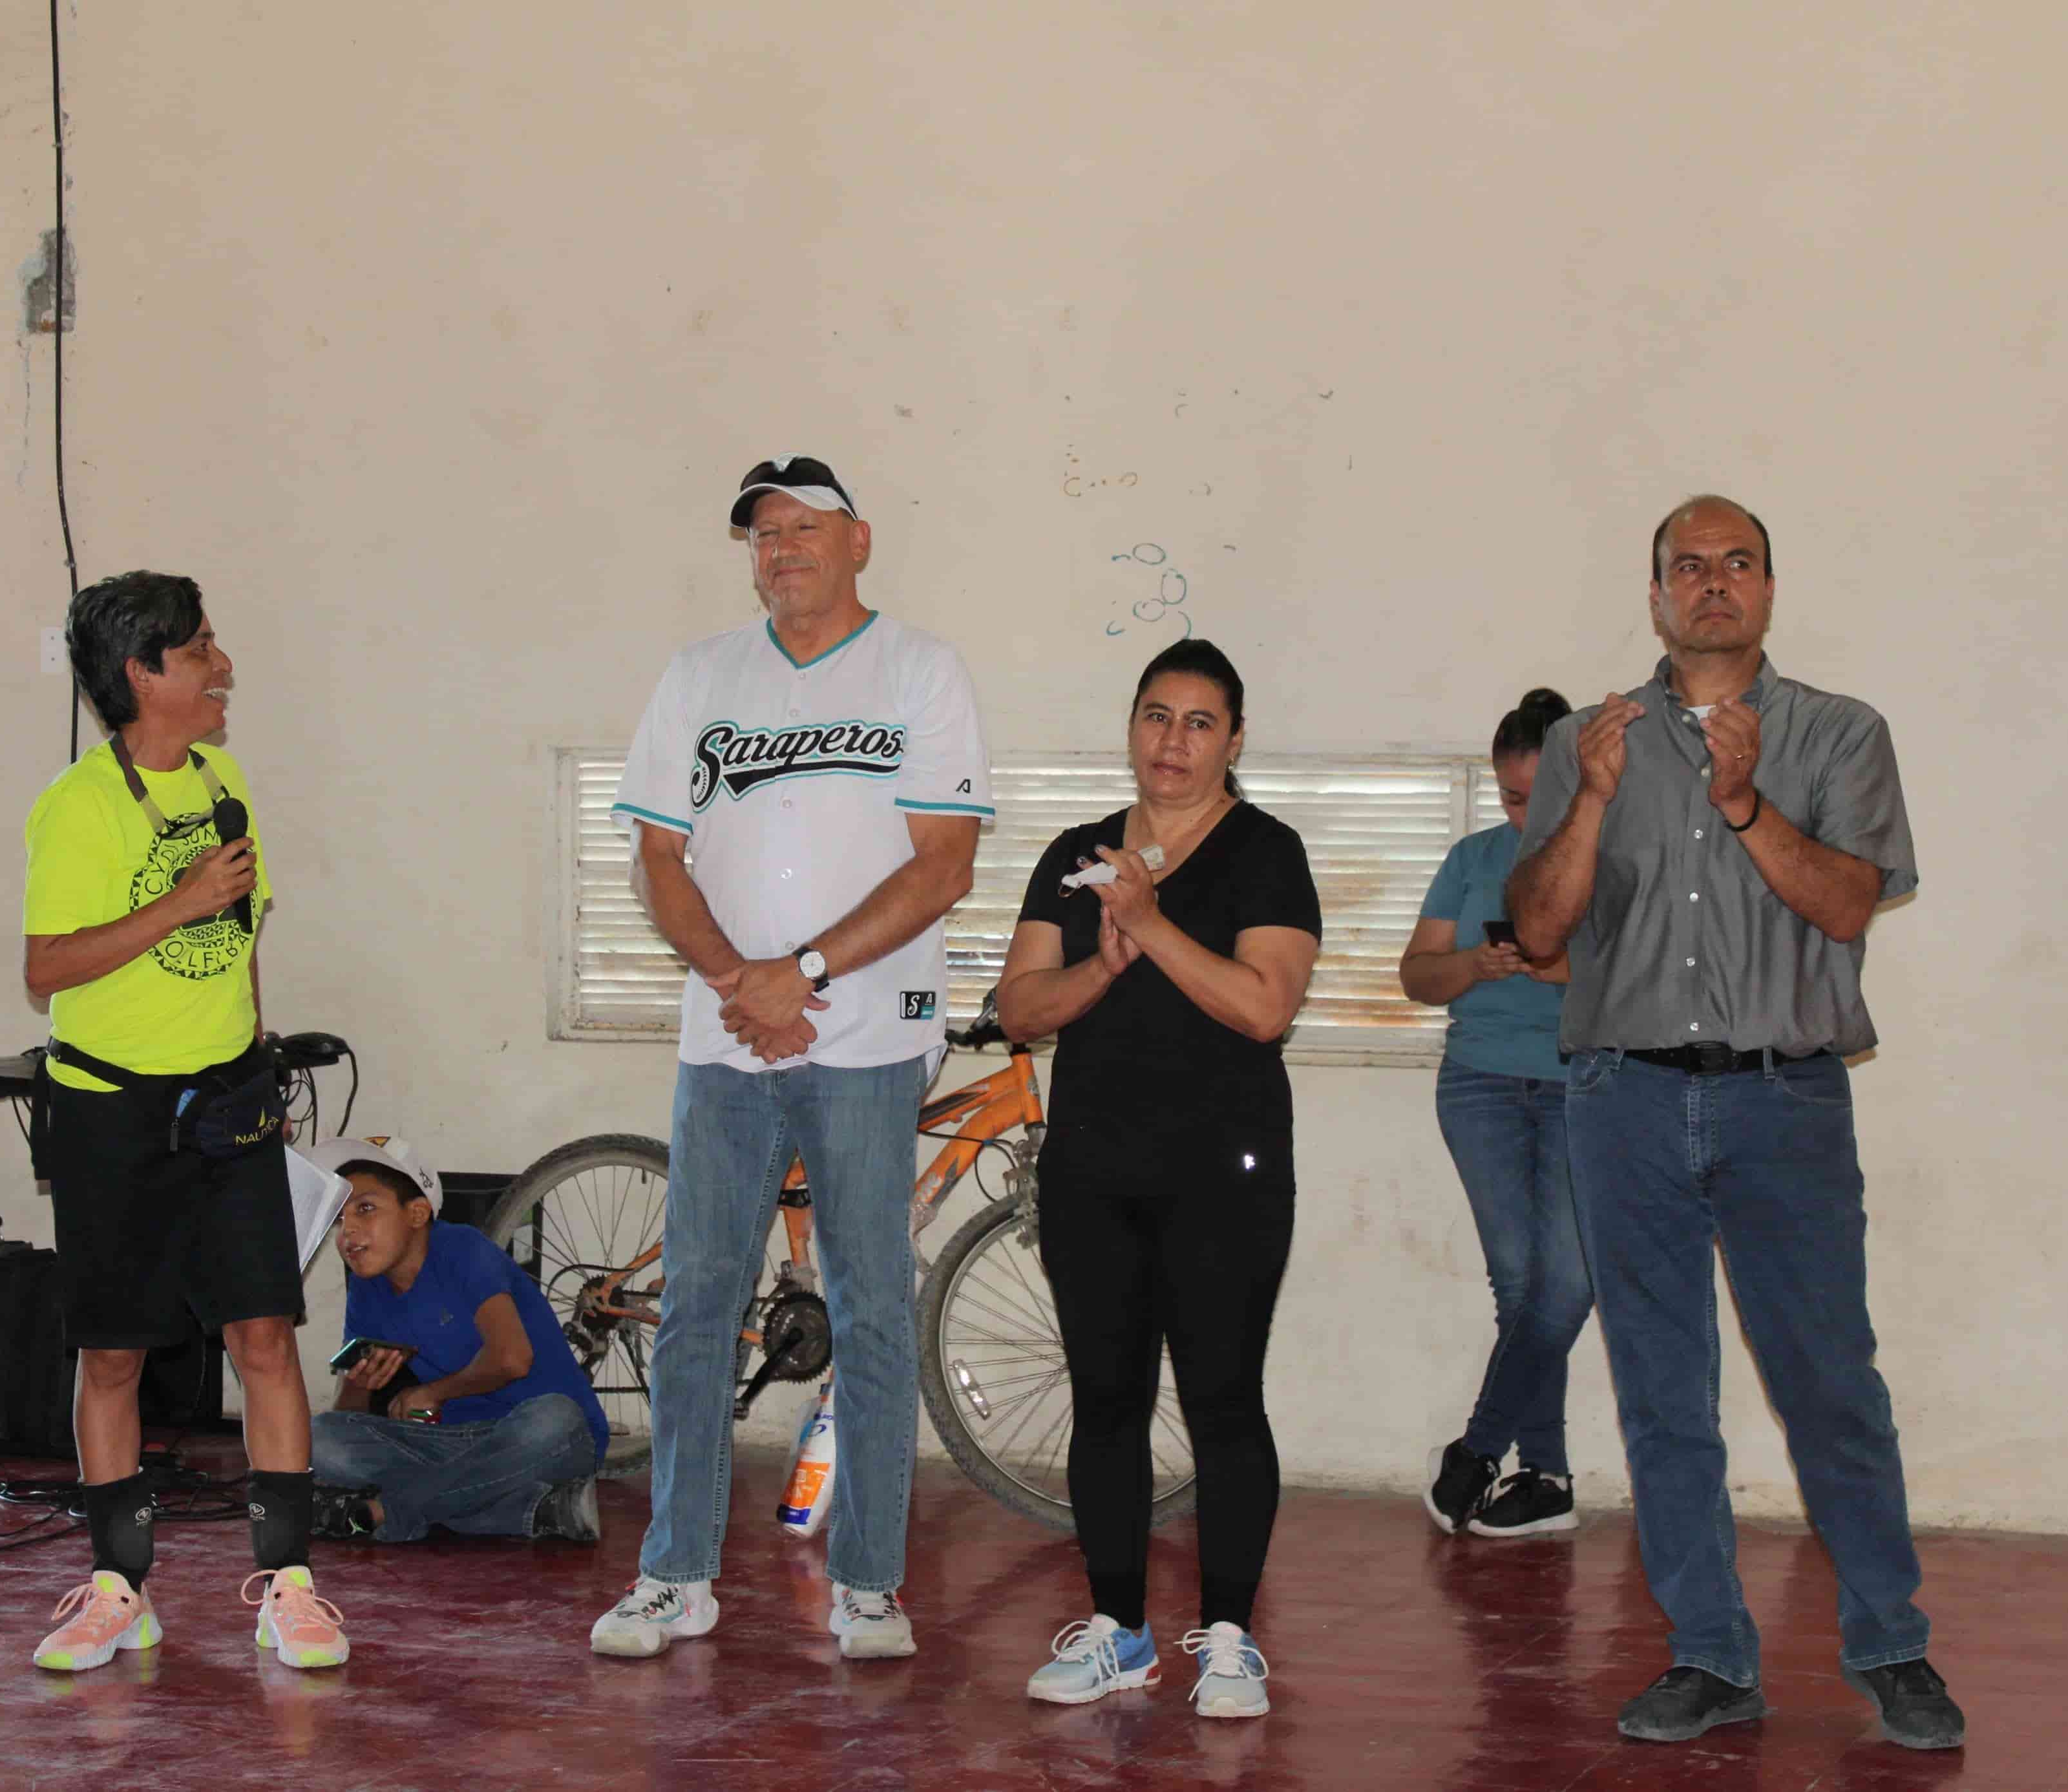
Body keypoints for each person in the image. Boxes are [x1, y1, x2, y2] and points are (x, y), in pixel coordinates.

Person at [1508, 496, 1961, 1750]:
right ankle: (1710, 1655)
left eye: (1737, 563)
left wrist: (1746, 799)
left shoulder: (1841, 733)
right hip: (1624, 1098)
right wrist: (1592, 801)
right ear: (1655, 595)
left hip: (1785, 1096)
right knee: (1663, 1395)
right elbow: (1538, 928)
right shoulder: (1586, 740)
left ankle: (1891, 1647)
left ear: (1768, 587)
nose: (1713, 583)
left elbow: (1849, 904)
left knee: (1830, 1382)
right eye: (1688, 566)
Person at [590, 455, 991, 1661]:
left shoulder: (920, 669)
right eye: (764, 532)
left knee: (870, 1307)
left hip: (867, 1039)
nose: (782, 548)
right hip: (726, 1040)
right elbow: (659, 859)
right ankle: (676, 1575)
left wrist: (799, 972)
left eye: (805, 527)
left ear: (858, 541)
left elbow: (944, 865)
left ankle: (868, 1584)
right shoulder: (700, 675)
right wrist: (741, 982)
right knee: (698, 1303)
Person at [22, 570, 349, 1672]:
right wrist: (179, 903)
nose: (223, 668)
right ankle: (119, 1589)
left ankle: (291, 1587)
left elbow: (244, 933)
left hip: (228, 1109)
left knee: (266, 1336)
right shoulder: (76, 806)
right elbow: (46, 967)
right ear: (141, 673)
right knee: (114, 1353)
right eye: (201, 649)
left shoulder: (224, 778)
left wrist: (257, 1059)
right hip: (112, 1114)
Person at [996, 638, 1321, 1720]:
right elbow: (1020, 1006)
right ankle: (1119, 1633)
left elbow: (1264, 1006)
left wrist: (1146, 923)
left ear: (1234, 740)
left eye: (1198, 721)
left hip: (1226, 1174)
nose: (1172, 740)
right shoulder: (1074, 853)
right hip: (1093, 1170)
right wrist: (1100, 960)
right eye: (1155, 715)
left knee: (1223, 1400)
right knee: (1106, 1403)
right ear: (1131, 726)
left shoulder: (1266, 852)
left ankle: (1229, 1638)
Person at [1401, 688, 1592, 1539]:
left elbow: (1648, 983)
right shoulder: (1471, 857)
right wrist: (1476, 964)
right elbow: (1417, 976)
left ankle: (1480, 1449)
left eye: (1540, 797)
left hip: (1585, 1084)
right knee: (1519, 1284)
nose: (1525, 816)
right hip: (1478, 1082)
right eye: (1511, 797)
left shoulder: (1616, 856)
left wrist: (1555, 966)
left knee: (1567, 1285)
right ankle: (1544, 1476)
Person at [302, 1136, 609, 1546]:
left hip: (540, 1437)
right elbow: (347, 1416)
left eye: (365, 1209)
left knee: (555, 1418)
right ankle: (539, 1510)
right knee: (321, 1437)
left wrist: (434, 1392)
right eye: (340, 1219)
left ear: (417, 1213)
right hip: (455, 1447)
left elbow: (513, 1359)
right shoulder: (367, 1287)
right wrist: (360, 1383)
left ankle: (383, 1512)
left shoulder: (462, 1248)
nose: (348, 1231)